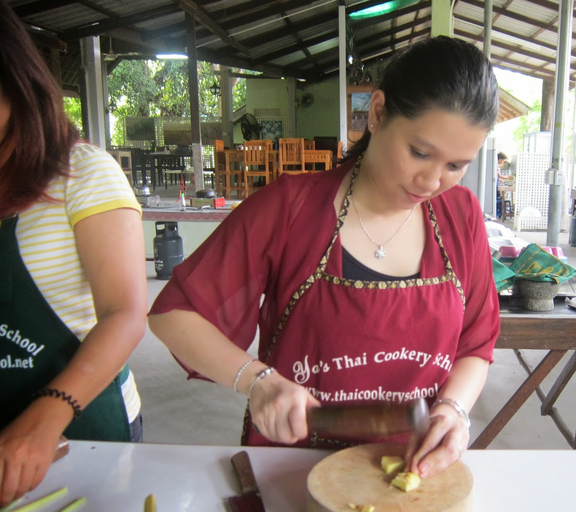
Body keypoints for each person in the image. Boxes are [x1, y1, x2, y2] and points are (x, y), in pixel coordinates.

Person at [148, 35, 500, 479]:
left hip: (410, 471)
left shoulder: (462, 216)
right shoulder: (291, 208)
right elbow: (174, 314)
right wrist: (259, 382)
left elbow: (476, 343)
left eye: (456, 165)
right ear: (377, 113)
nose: (432, 180)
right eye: (420, 153)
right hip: (292, 467)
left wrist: (454, 409)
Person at [0, 1, 148, 505]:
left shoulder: (82, 173)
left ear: (16, 80)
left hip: (80, 426)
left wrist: (47, 415)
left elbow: (125, 313)